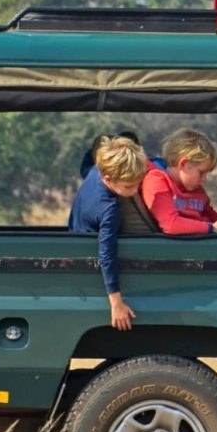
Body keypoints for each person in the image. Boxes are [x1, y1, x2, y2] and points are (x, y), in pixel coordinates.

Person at [68, 135, 150, 331]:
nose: (134, 190)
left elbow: (86, 162)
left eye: (138, 183)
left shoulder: (95, 170)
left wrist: (103, 143)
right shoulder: (109, 210)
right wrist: (116, 302)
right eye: (128, 186)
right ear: (108, 179)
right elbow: (106, 255)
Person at [143, 127, 217, 238]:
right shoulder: (156, 181)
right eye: (201, 173)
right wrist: (213, 228)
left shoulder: (193, 186)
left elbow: (207, 213)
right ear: (183, 164)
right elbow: (171, 224)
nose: (204, 179)